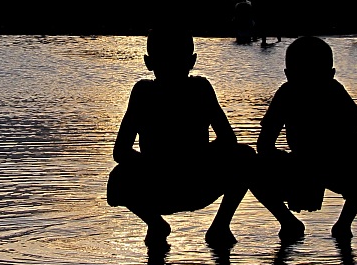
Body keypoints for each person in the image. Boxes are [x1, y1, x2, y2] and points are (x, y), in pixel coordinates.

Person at [107, 28, 254, 249]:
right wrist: (171, 164)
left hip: (177, 184)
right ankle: (168, 224)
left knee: (246, 156)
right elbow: (227, 140)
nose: (171, 69)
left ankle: (209, 225)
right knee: (246, 156)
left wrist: (171, 163)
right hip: (182, 184)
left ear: (148, 62)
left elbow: (121, 152)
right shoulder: (196, 89)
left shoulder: (148, 92)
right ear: (192, 61)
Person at [253, 36, 357, 242]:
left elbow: (355, 143)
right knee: (251, 166)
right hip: (297, 165)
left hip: (334, 164)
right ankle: (288, 221)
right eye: (303, 76)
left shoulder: (334, 91)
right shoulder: (287, 93)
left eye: (315, 76)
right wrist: (298, 169)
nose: (309, 84)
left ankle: (343, 225)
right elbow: (264, 146)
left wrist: (317, 170)